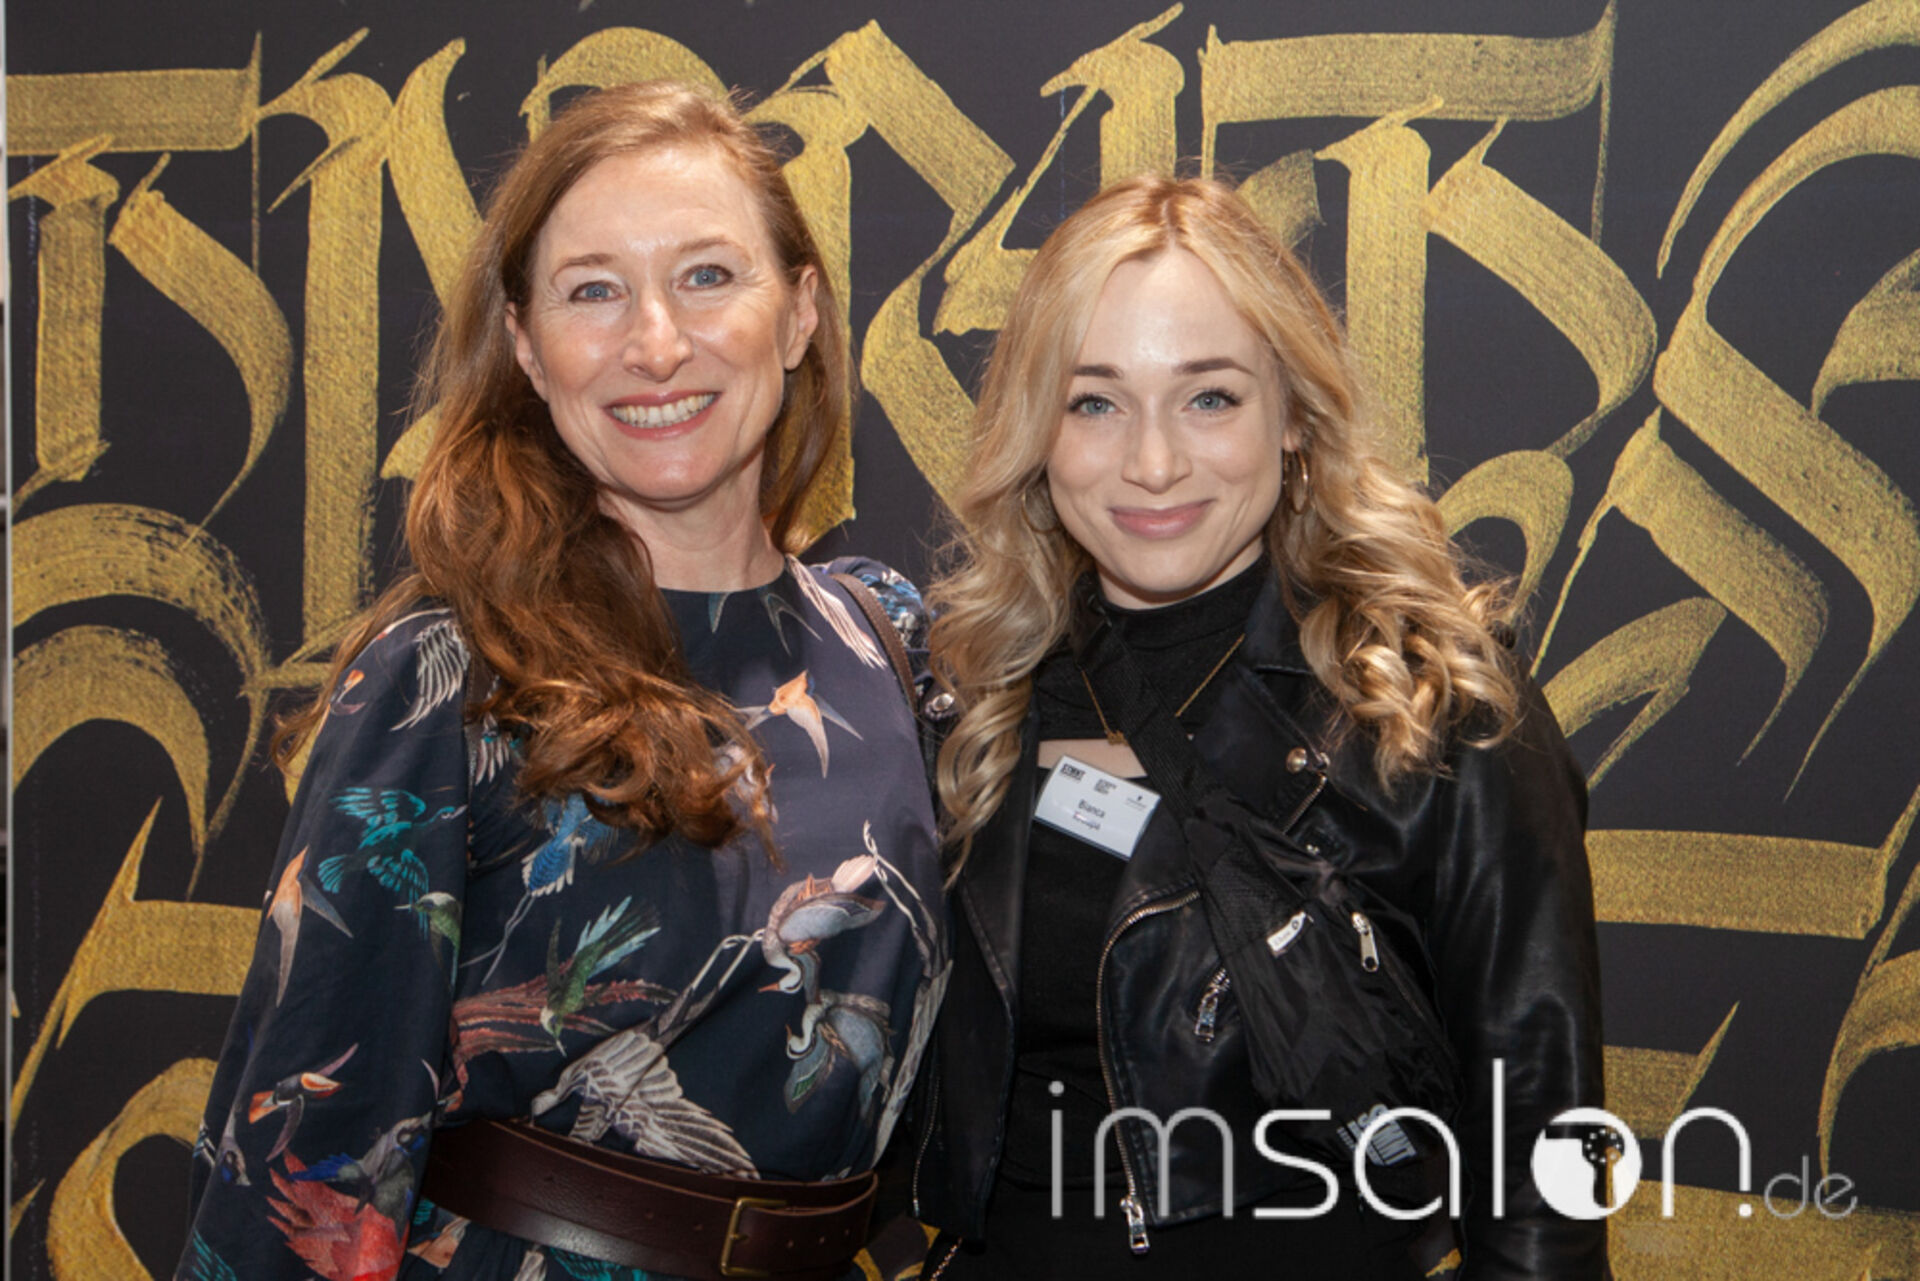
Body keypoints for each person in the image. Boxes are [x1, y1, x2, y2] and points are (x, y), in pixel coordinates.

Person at [180, 81, 947, 1281]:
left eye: (707, 276)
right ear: (529, 346)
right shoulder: (450, 676)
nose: (657, 343)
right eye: (595, 291)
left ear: (801, 313)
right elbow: (307, 1151)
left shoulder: (888, 645)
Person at [913, 174, 1606, 1279]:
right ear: (1036, 430)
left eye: (1210, 398)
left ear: (1291, 417)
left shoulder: (1435, 707)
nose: (1153, 463)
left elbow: (1544, 1164)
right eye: (1094, 403)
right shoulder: (965, 696)